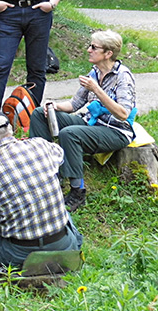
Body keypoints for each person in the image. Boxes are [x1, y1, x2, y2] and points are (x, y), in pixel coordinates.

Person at [0, 110, 83, 277]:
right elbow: (60, 156)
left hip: (19, 254)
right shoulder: (41, 145)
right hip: (63, 245)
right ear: (10, 129)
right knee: (60, 210)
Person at [30, 29, 136, 211]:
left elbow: (123, 114)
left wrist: (97, 90)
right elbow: (75, 104)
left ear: (108, 53)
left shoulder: (122, 76)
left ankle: (77, 192)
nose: (88, 50)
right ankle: (45, 172)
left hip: (116, 130)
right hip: (91, 123)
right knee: (40, 113)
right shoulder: (94, 72)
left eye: (94, 47)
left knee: (69, 134)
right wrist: (54, 106)